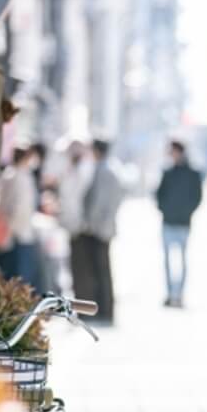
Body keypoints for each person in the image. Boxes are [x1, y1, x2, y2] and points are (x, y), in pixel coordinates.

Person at [79, 139, 123, 324]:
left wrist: (89, 222)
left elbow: (99, 201)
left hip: (99, 229)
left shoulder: (103, 171)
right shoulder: (109, 169)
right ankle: (105, 310)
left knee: (101, 269)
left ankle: (105, 310)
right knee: (102, 269)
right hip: (104, 227)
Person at [155, 140, 203, 307]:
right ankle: (170, 293)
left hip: (183, 223)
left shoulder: (192, 173)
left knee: (182, 260)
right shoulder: (167, 172)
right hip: (168, 221)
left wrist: (187, 211)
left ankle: (179, 294)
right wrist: (164, 209)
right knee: (167, 260)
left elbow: (198, 197)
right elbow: (159, 194)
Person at [0, 145, 42, 290]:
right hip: (19, 236)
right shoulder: (22, 178)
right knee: (19, 282)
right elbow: (20, 210)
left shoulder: (8, 175)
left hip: (8, 234)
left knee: (10, 279)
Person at [55, 140, 94, 298]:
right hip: (71, 223)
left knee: (80, 265)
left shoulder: (84, 171)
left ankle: (83, 298)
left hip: (80, 224)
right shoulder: (72, 171)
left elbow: (75, 199)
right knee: (74, 265)